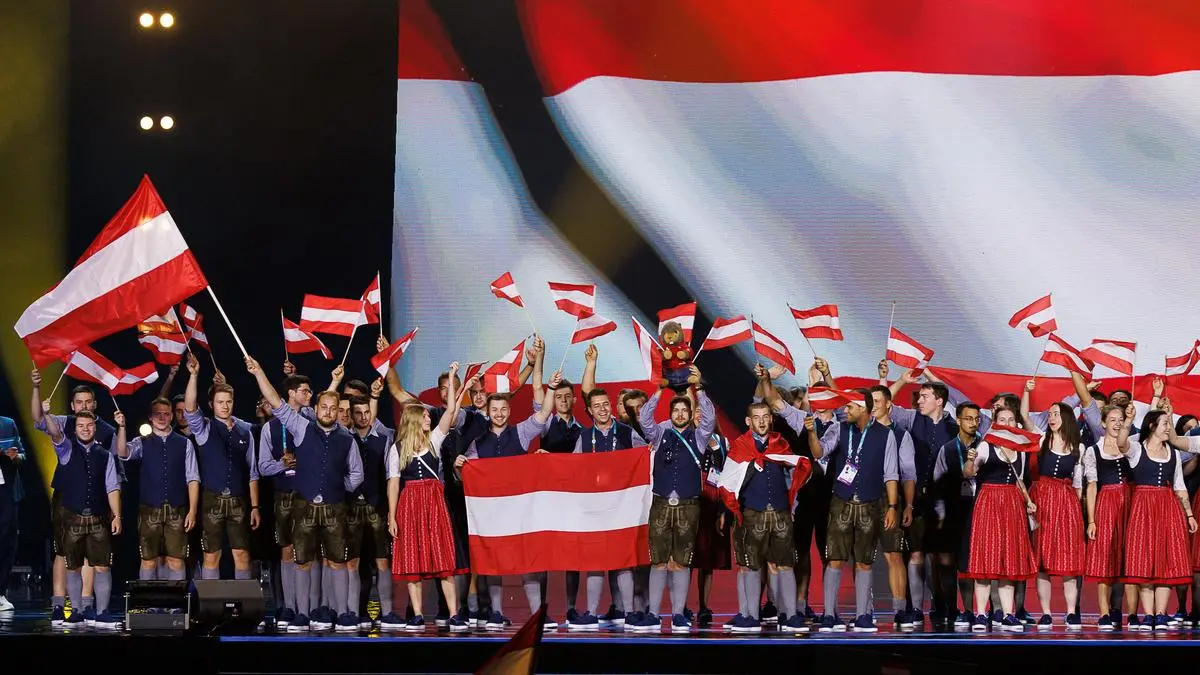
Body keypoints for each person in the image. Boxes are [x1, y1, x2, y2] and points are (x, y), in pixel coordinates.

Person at [249, 355, 364, 632]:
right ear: (316, 408)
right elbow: (276, 402)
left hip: (335, 508)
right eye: (323, 407)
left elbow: (357, 474)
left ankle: (342, 613)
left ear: (338, 411)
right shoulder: (301, 427)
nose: (327, 411)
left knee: (337, 561)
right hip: (303, 507)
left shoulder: (347, 440)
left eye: (332, 408)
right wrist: (259, 372)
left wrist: (340, 487)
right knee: (302, 561)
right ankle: (302, 614)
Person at [455, 374, 558, 629]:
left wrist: (552, 389)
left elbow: (544, 413)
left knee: (528, 563)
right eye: (494, 410)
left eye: (503, 409)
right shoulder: (477, 444)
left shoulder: (521, 433)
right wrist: (458, 467)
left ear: (509, 411)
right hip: (492, 514)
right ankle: (496, 614)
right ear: (487, 412)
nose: (499, 414)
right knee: (493, 563)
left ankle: (537, 616)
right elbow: (465, 475)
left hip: (521, 512)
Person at [719, 389, 812, 634]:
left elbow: (795, 474)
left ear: (770, 418)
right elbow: (726, 483)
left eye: (765, 416)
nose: (762, 421)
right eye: (757, 417)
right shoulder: (740, 448)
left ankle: (790, 615)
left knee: (785, 564)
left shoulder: (781, 444)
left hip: (780, 514)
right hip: (751, 514)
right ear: (749, 422)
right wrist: (734, 511)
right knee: (750, 566)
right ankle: (748, 615)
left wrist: (793, 505)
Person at [806, 389, 900, 633]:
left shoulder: (886, 435)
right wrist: (810, 434)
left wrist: (892, 507)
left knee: (864, 562)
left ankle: (862, 616)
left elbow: (891, 474)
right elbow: (819, 452)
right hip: (841, 503)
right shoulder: (839, 428)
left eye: (850, 407)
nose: (844, 411)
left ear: (864, 409)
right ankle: (828, 615)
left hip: (869, 504)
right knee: (835, 559)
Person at [631, 367, 716, 633]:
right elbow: (644, 420)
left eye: (684, 411)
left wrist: (698, 389)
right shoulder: (659, 434)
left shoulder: (700, 438)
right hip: (661, 504)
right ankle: (654, 614)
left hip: (689, 506)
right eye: (676, 411)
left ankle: (678, 614)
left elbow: (710, 419)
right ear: (670, 415)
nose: (680, 414)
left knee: (681, 560)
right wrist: (659, 390)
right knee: (658, 560)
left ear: (690, 415)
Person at [388, 362, 470, 632]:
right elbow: (393, 484)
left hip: (434, 502)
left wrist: (452, 377)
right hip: (410, 504)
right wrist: (392, 516)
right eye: (424, 416)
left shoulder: (434, 440)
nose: (428, 419)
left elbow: (449, 411)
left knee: (443, 560)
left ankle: (455, 613)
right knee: (413, 559)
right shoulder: (397, 449)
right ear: (413, 420)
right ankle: (418, 615)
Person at [31, 370, 118, 625]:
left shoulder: (106, 429)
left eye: (88, 402)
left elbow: (115, 465)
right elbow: (37, 418)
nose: (83, 407)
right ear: (72, 405)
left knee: (94, 554)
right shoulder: (63, 423)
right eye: (79, 403)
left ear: (94, 404)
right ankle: (60, 604)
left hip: (96, 497)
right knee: (63, 551)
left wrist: (115, 508)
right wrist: (36, 388)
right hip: (66, 496)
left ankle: (87, 605)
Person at [884, 365, 958, 628]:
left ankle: (945, 605)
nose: (919, 401)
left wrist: (933, 378)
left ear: (939, 401)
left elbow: (962, 403)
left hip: (946, 503)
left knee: (943, 557)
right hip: (916, 500)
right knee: (915, 554)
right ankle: (915, 608)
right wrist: (901, 380)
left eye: (924, 396)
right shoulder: (911, 418)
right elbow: (884, 404)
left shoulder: (956, 423)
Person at [182, 353, 261, 581]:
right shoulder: (204, 428)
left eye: (228, 402)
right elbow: (189, 408)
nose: (225, 406)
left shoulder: (245, 430)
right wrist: (194, 376)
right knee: (211, 555)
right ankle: (210, 607)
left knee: (242, 554)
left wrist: (255, 507)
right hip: (211, 500)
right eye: (220, 402)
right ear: (211, 404)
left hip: (239, 501)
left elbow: (253, 473)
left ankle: (241, 608)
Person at [43, 406, 122, 629]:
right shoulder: (66, 449)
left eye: (89, 426)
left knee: (103, 565)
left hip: (98, 520)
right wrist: (48, 415)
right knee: (73, 566)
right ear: (74, 429)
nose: (85, 429)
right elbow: (55, 433)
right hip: (72, 519)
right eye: (80, 426)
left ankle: (102, 612)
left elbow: (112, 487)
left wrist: (117, 516)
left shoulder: (105, 456)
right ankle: (76, 611)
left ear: (95, 428)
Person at [960, 407, 1037, 632]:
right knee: (985, 559)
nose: (1006, 423)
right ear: (995, 423)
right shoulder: (986, 445)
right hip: (989, 503)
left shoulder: (1021, 450)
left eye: (1010, 419)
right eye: (1002, 419)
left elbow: (1020, 481)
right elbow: (968, 473)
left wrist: (1028, 500)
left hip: (1012, 504)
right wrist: (970, 460)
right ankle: (981, 614)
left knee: (1008, 559)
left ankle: (1007, 614)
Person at [1124, 408, 1196, 630]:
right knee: (1145, 559)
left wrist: (1189, 514)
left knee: (1165, 561)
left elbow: (1179, 486)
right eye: (1166, 423)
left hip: (1168, 507)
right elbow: (1120, 442)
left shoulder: (1173, 454)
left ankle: (1161, 613)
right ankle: (1149, 615)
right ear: (1153, 426)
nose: (1169, 428)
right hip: (1143, 507)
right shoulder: (1136, 449)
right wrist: (1128, 419)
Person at [114, 397, 199, 582]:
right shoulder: (142, 442)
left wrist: (192, 511)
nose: (162, 418)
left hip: (177, 510)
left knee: (176, 560)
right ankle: (149, 604)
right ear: (150, 417)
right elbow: (122, 453)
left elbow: (192, 478)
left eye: (166, 414)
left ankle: (175, 605)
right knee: (148, 560)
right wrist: (121, 427)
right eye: (157, 414)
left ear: (171, 417)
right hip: (149, 511)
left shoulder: (184, 444)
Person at [1024, 388, 1086, 630]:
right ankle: (1047, 613)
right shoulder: (1041, 439)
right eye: (1049, 414)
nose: (1051, 418)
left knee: (1068, 559)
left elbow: (1079, 482)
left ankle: (1071, 612)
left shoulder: (1078, 448)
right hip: (1043, 500)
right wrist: (1028, 392)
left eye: (1056, 414)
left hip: (1067, 501)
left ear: (1067, 418)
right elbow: (1025, 416)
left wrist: (1075, 508)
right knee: (1042, 560)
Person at [257, 372, 312, 628]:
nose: (309, 394)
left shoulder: (311, 418)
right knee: (287, 550)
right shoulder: (270, 427)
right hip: (283, 494)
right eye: (305, 390)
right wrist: (281, 464)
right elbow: (262, 467)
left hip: (310, 493)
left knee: (311, 551)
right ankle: (289, 607)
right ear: (291, 392)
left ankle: (310, 608)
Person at [346, 386, 396, 631]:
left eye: (367, 412)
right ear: (352, 415)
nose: (364, 417)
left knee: (382, 562)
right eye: (358, 412)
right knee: (353, 563)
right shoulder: (345, 438)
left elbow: (390, 477)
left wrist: (390, 511)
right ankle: (356, 611)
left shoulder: (384, 440)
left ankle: (387, 612)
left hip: (377, 508)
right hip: (352, 509)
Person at [868, 385, 918, 630]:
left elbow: (908, 473)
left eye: (878, 401)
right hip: (862, 501)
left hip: (890, 503)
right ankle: (863, 611)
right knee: (861, 558)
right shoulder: (861, 432)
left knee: (894, 555)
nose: (874, 405)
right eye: (871, 401)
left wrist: (907, 505)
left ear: (889, 404)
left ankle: (900, 611)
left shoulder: (901, 434)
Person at [1082, 405, 1136, 631]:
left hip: (1131, 503)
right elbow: (1092, 487)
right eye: (1112, 419)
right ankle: (1105, 613)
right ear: (1103, 423)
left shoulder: (1132, 446)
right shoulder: (1093, 451)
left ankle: (1132, 614)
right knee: (1105, 559)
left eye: (1120, 419)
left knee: (1131, 559)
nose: (1116, 423)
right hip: (1106, 503)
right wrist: (1092, 520)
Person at [929, 402, 982, 630]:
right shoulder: (947, 449)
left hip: (979, 510)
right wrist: (940, 515)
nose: (973, 423)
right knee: (948, 563)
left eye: (976, 419)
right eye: (968, 418)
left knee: (973, 564)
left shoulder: (985, 446)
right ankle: (951, 610)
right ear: (959, 420)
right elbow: (938, 482)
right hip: (952, 512)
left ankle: (973, 611)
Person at [0, 414, 25, 612]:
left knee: (7, 544)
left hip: (7, 493)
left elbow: (23, 455)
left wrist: (16, 457)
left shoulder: (8, 424)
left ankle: (1, 593)